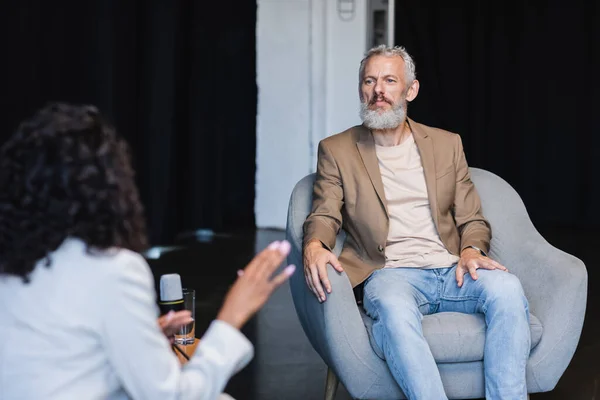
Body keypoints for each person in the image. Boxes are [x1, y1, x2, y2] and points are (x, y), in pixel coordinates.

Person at [0, 103, 295, 400]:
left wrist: (143, 336)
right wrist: (233, 314)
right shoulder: (113, 270)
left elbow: (59, 359)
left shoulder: (13, 263)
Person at [302, 45, 530, 399]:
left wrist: (470, 250)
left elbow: (472, 218)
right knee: (392, 310)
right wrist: (314, 245)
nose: (379, 90)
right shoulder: (337, 149)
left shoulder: (446, 144)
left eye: (390, 80)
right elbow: (324, 212)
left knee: (508, 289)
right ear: (361, 89)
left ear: (411, 89)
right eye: (370, 81)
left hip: (452, 270)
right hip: (390, 273)